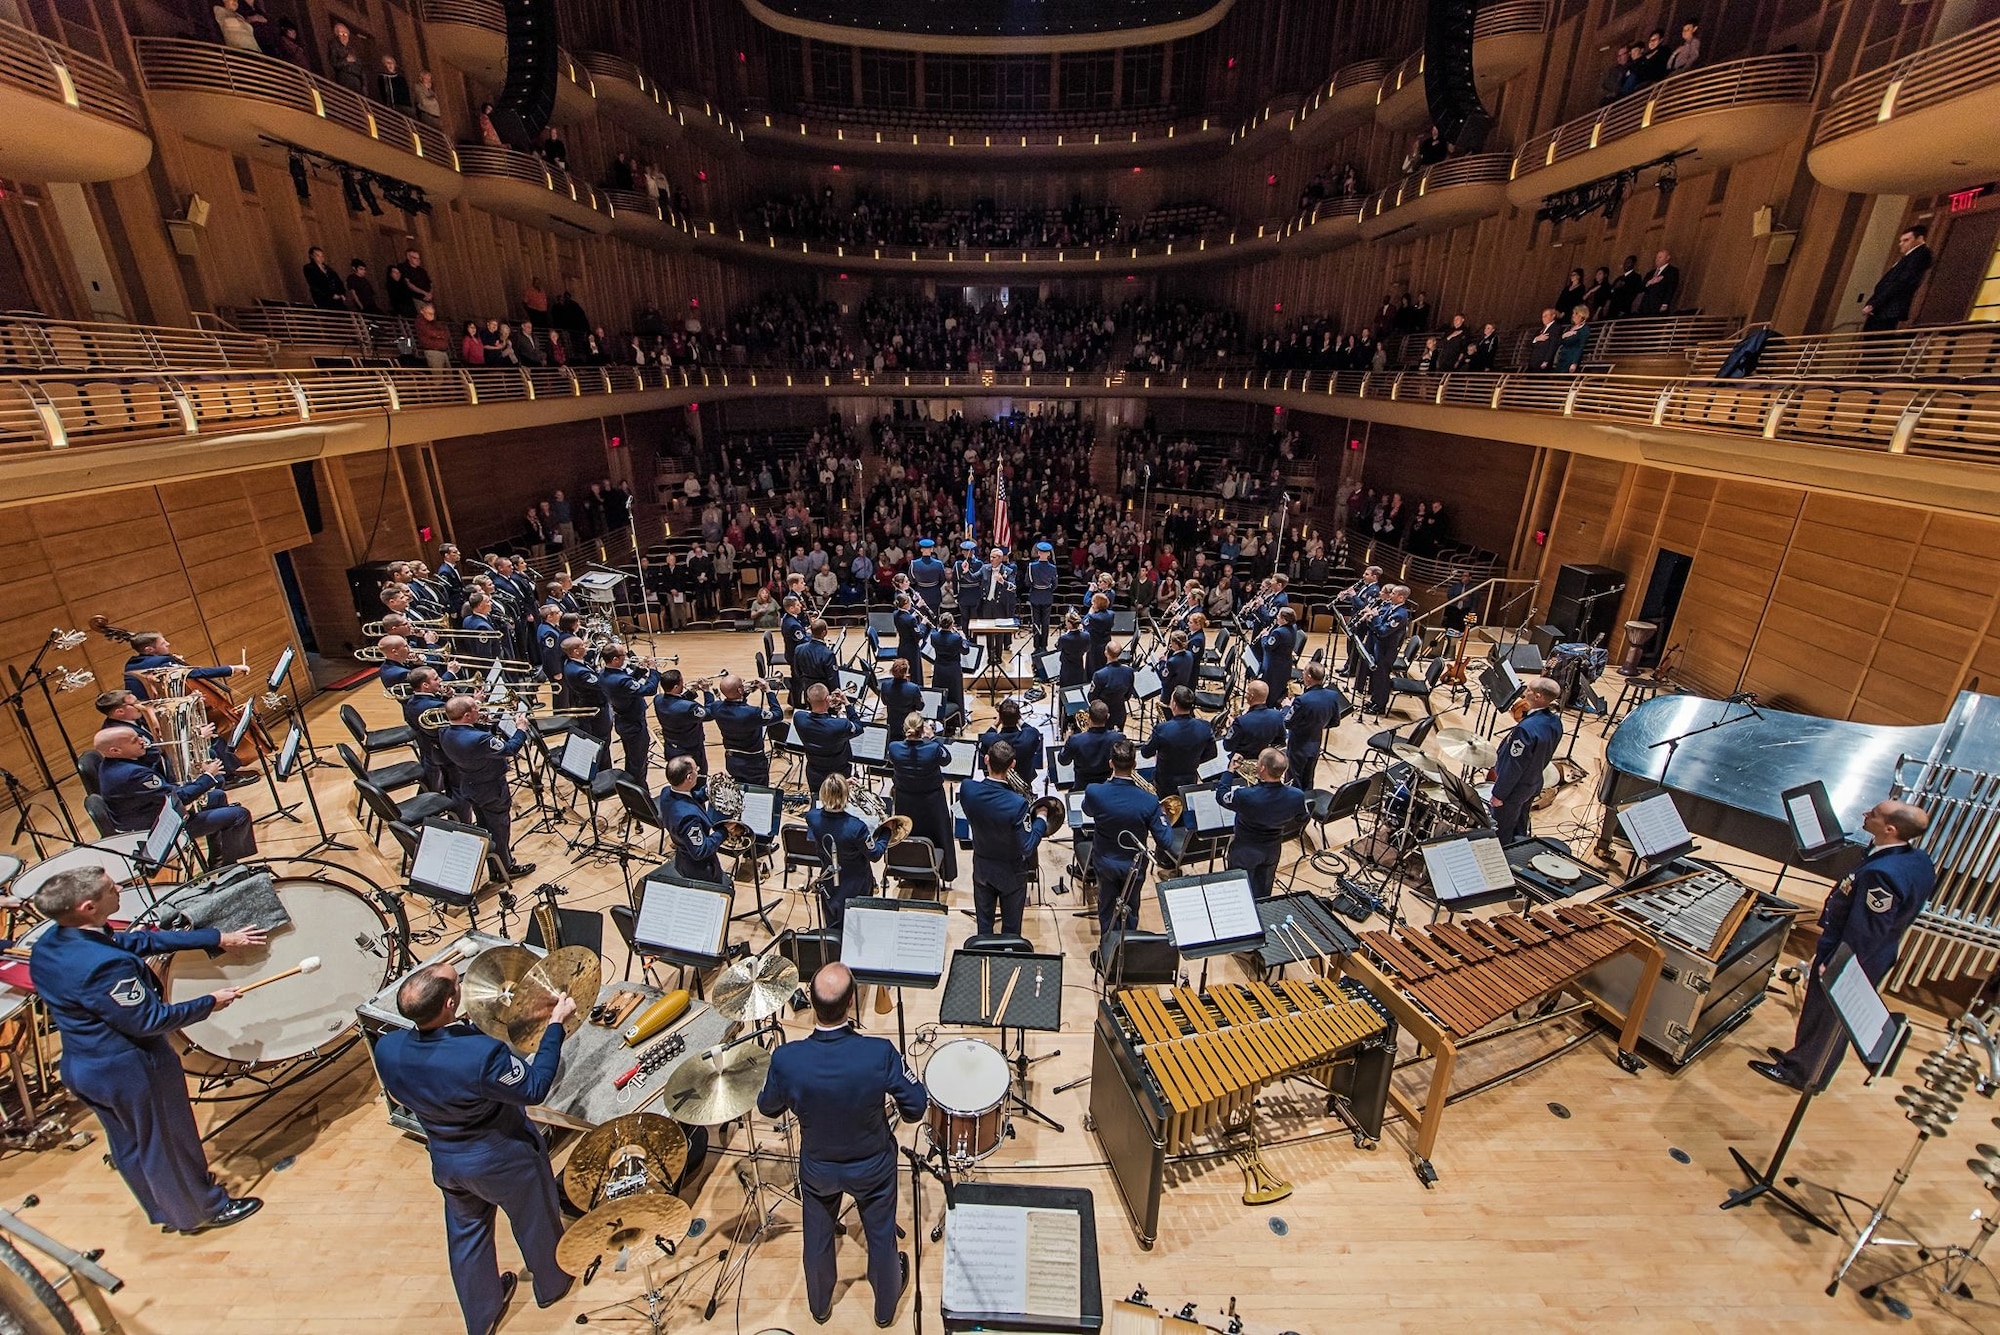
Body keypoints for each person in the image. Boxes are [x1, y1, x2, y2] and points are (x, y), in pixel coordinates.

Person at [29, 867, 265, 1235]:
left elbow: (134, 943)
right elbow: (150, 1020)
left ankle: (167, 1208)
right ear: (88, 907)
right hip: (129, 1067)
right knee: (167, 1139)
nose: (119, 889)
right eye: (111, 889)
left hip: (83, 1064)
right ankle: (202, 1210)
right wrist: (209, 1002)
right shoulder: (102, 966)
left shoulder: (52, 943)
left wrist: (217, 936)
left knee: (132, 1144)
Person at [372, 962, 577, 1335]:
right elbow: (533, 1087)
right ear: (451, 1003)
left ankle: (481, 1315)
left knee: (467, 1236)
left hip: (447, 1160)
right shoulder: (480, 1055)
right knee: (535, 1220)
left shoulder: (387, 1047)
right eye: (458, 982)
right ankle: (552, 1282)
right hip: (501, 1157)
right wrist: (555, 1026)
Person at [755, 963, 921, 1327]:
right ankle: (884, 1311)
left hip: (819, 1169)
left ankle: (819, 1306)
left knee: (816, 1238)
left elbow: (767, 1107)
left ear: (812, 1003)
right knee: (880, 1237)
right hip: (872, 1167)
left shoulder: (786, 1059)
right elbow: (916, 1106)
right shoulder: (879, 1053)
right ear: (850, 1004)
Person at [1749, 800, 1936, 1091]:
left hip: (1854, 956)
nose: (1865, 814)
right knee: (1818, 1012)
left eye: (1873, 814)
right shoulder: (1918, 859)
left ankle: (1803, 1073)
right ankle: (1802, 1058)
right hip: (1868, 951)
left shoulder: (1883, 874)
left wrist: (1837, 963)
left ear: (1890, 828)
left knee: (1828, 1017)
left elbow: (1867, 932)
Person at [92, 727, 256, 863]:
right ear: (115, 750)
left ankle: (218, 859)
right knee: (239, 815)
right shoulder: (130, 774)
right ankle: (232, 871)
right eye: (135, 741)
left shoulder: (116, 762)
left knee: (218, 796)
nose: (142, 741)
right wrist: (208, 776)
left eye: (139, 736)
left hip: (156, 812)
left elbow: (159, 764)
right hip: (158, 829)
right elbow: (179, 798)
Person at [1084, 740, 1176, 936]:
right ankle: (1128, 948)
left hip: (1105, 861)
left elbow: (1087, 809)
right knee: (1131, 911)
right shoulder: (1149, 801)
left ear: (1111, 763)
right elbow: (1166, 842)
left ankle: (1107, 950)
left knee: (1107, 908)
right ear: (1135, 765)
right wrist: (1164, 816)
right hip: (1134, 867)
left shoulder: (1095, 792)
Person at [961, 742, 1052, 935]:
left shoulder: (968, 789)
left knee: (984, 928)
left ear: (986, 760)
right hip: (1011, 872)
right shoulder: (1017, 803)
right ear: (1012, 765)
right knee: (1011, 930)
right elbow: (1027, 847)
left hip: (982, 867)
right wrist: (1042, 818)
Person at [437, 697, 534, 877]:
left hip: (470, 784)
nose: (480, 709)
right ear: (467, 715)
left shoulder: (444, 732)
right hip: (491, 788)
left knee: (485, 826)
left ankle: (494, 864)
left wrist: (482, 724)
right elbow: (510, 749)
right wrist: (521, 729)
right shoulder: (479, 739)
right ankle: (505, 869)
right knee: (499, 828)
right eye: (476, 708)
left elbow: (477, 747)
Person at [1217, 748, 1307, 898]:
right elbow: (1302, 818)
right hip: (1272, 849)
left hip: (1245, 850)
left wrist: (1229, 771)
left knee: (1237, 891)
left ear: (1263, 768)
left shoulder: (1246, 795)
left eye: (1258, 761)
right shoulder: (1297, 795)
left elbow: (1221, 796)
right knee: (1263, 893)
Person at [804, 774, 889, 928]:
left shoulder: (812, 818)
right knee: (857, 927)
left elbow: (824, 810)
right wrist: (886, 833)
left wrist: (839, 787)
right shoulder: (857, 827)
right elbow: (875, 854)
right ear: (846, 796)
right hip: (857, 885)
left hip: (829, 881)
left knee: (833, 925)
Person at [1489, 677, 1563, 841]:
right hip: (1533, 783)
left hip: (1513, 791)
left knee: (1501, 831)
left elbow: (1514, 766)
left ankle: (1503, 859)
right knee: (1520, 827)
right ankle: (1518, 852)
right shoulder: (1555, 722)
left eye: (1528, 689)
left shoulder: (1525, 729)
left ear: (1538, 696)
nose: (1524, 692)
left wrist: (1499, 794)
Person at [887, 713, 957, 882]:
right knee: (938, 833)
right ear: (921, 730)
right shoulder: (932, 748)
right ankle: (942, 871)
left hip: (905, 801)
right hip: (931, 802)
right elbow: (946, 759)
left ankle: (907, 870)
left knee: (909, 832)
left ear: (904, 729)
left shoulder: (894, 748)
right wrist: (932, 737)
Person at [597, 645, 659, 787]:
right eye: (623, 656)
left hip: (623, 720)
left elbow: (628, 682)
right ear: (615, 659)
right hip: (633, 724)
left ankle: (631, 789)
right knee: (638, 763)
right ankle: (639, 795)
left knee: (632, 759)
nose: (626, 658)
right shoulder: (619, 680)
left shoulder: (604, 673)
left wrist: (641, 670)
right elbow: (649, 690)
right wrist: (654, 671)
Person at [1143, 686, 1217, 802]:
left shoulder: (1162, 729)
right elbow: (1212, 753)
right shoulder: (1205, 726)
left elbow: (1145, 753)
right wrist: (1193, 760)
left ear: (1174, 704)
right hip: (1190, 779)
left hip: (1165, 782)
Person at [1284, 663, 1348, 792]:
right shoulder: (1332, 695)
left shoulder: (1302, 700)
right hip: (1315, 744)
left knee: (1293, 780)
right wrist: (1316, 725)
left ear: (1308, 677)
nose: (1301, 673)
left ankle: (1293, 809)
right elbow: (1335, 722)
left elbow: (1288, 723)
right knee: (1308, 779)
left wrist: (1286, 707)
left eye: (1304, 672)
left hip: (1298, 745)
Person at [708, 673, 781, 785]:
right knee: (759, 793)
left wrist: (744, 693)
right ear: (740, 690)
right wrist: (768, 690)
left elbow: (733, 703)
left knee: (739, 791)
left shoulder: (715, 707)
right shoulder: (752, 713)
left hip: (732, 760)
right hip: (753, 762)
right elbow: (778, 715)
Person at [795, 683, 864, 796]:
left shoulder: (798, 718)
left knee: (818, 802)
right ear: (828, 698)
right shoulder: (840, 725)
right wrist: (846, 703)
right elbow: (858, 727)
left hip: (814, 773)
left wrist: (828, 707)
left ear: (808, 699)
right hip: (838, 775)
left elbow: (817, 716)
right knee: (839, 804)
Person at [1864, 224, 1932, 331]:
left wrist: (1875, 303)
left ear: (1920, 239)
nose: (1901, 244)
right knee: (1871, 337)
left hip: (1889, 307)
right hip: (1885, 306)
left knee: (1876, 339)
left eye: (1906, 240)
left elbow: (1901, 281)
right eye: (1901, 241)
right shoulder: (1911, 256)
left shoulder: (1920, 254)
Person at [1361, 585, 1413, 716]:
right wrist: (1371, 618)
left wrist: (1375, 617)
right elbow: (1379, 627)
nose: (1390, 595)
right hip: (1380, 647)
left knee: (1382, 679)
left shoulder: (1400, 615)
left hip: (1386, 651)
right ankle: (1374, 701)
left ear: (1401, 598)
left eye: (1393, 593)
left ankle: (1380, 706)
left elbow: (1383, 631)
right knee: (1377, 677)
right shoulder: (1392, 608)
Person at [977, 697, 1043, 789]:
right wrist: (1018, 718)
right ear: (1018, 717)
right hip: (1024, 785)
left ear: (1000, 718)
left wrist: (995, 723)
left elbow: (987, 736)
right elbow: (1030, 730)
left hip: (998, 788)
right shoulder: (1030, 737)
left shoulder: (989, 740)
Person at [653, 669, 708, 776]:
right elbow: (709, 713)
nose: (683, 684)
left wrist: (690, 694)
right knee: (698, 781)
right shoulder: (688, 707)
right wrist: (707, 692)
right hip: (690, 752)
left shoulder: (658, 699)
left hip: (671, 749)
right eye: (681, 682)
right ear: (675, 687)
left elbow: (675, 702)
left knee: (678, 780)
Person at [1062, 701, 1124, 789]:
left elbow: (1063, 761)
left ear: (1089, 718)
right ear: (1108, 716)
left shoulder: (1075, 740)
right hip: (1108, 786)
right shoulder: (1119, 738)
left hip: (1082, 787)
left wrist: (1066, 740)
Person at [558, 637, 610, 742]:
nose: (586, 647)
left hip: (589, 704)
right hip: (594, 709)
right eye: (583, 646)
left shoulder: (572, 662)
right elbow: (600, 684)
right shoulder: (579, 672)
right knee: (602, 740)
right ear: (576, 651)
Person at [1223, 681, 1286, 761]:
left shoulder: (1241, 722)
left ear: (1251, 697)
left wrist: (1230, 728)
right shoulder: (1278, 716)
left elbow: (1227, 746)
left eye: (1247, 692)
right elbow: (1280, 741)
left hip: (1240, 762)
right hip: (1263, 761)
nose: (1245, 695)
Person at [1089, 642, 1137, 731]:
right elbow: (1128, 695)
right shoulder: (1129, 671)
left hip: (1102, 714)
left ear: (1106, 653)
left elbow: (1092, 698)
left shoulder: (1099, 675)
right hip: (1120, 713)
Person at [931, 613, 967, 727]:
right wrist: (963, 637)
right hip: (953, 670)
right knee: (956, 694)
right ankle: (958, 721)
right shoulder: (956, 638)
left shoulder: (934, 636)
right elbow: (965, 650)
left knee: (940, 694)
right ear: (952, 624)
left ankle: (939, 720)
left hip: (939, 669)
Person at [1027, 541, 1060, 654]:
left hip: (1036, 594)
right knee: (1045, 623)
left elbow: (1028, 582)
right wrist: (1048, 589)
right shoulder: (1052, 568)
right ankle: (1044, 646)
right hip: (1047, 595)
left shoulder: (1032, 566)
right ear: (1049, 554)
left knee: (1036, 622)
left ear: (1038, 552)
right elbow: (1055, 584)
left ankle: (1036, 646)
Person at [890, 593, 928, 687]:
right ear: (906, 603)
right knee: (915, 673)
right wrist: (923, 624)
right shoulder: (911, 619)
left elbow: (905, 621)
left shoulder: (895, 614)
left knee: (903, 672)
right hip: (912, 650)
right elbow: (919, 635)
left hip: (902, 646)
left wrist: (913, 615)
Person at [1634, 249, 1680, 316]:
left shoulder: (1672, 271)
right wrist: (1649, 282)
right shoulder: (1650, 273)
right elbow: (1641, 288)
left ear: (1667, 258)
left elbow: (1671, 288)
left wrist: (1665, 303)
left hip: (1658, 305)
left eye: (1660, 257)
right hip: (1645, 306)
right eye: (1656, 257)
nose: (1657, 259)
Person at [907, 537, 947, 615]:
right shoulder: (938, 564)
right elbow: (942, 579)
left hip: (920, 593)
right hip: (934, 593)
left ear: (921, 549)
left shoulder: (914, 564)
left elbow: (911, 580)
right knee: (934, 619)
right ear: (932, 550)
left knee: (921, 618)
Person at [1082, 591, 1116, 676]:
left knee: (1093, 666)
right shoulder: (1111, 614)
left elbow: (1083, 623)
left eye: (1093, 602)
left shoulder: (1093, 617)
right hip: (1106, 643)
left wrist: (1090, 613)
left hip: (1095, 645)